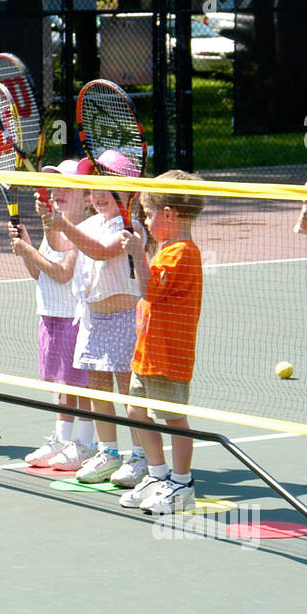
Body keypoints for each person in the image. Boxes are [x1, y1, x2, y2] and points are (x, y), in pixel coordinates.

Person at [41, 151, 149, 484]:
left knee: (130, 395)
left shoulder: (132, 229)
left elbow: (100, 251)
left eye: (107, 187)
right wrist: (50, 220)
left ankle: (141, 456)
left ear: (128, 192)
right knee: (99, 393)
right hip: (91, 321)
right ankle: (109, 453)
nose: (98, 195)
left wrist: (64, 227)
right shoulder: (88, 224)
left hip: (124, 321)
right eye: (94, 187)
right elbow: (61, 243)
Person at [119, 170, 206, 515]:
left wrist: (138, 252)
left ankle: (182, 483)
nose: (146, 220)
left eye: (149, 213)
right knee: (136, 410)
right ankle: (157, 475)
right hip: (148, 352)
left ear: (169, 214)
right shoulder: (168, 248)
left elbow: (150, 290)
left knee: (172, 418)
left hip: (170, 354)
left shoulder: (182, 253)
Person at [8, 159, 98, 470]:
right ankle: (62, 438)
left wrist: (31, 251)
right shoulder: (53, 226)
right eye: (54, 186)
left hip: (74, 318)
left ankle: (86, 444)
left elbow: (62, 273)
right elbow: (39, 273)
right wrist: (27, 246)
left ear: (85, 195)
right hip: (50, 315)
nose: (57, 192)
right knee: (63, 386)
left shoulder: (83, 230)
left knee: (81, 386)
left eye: (65, 187)